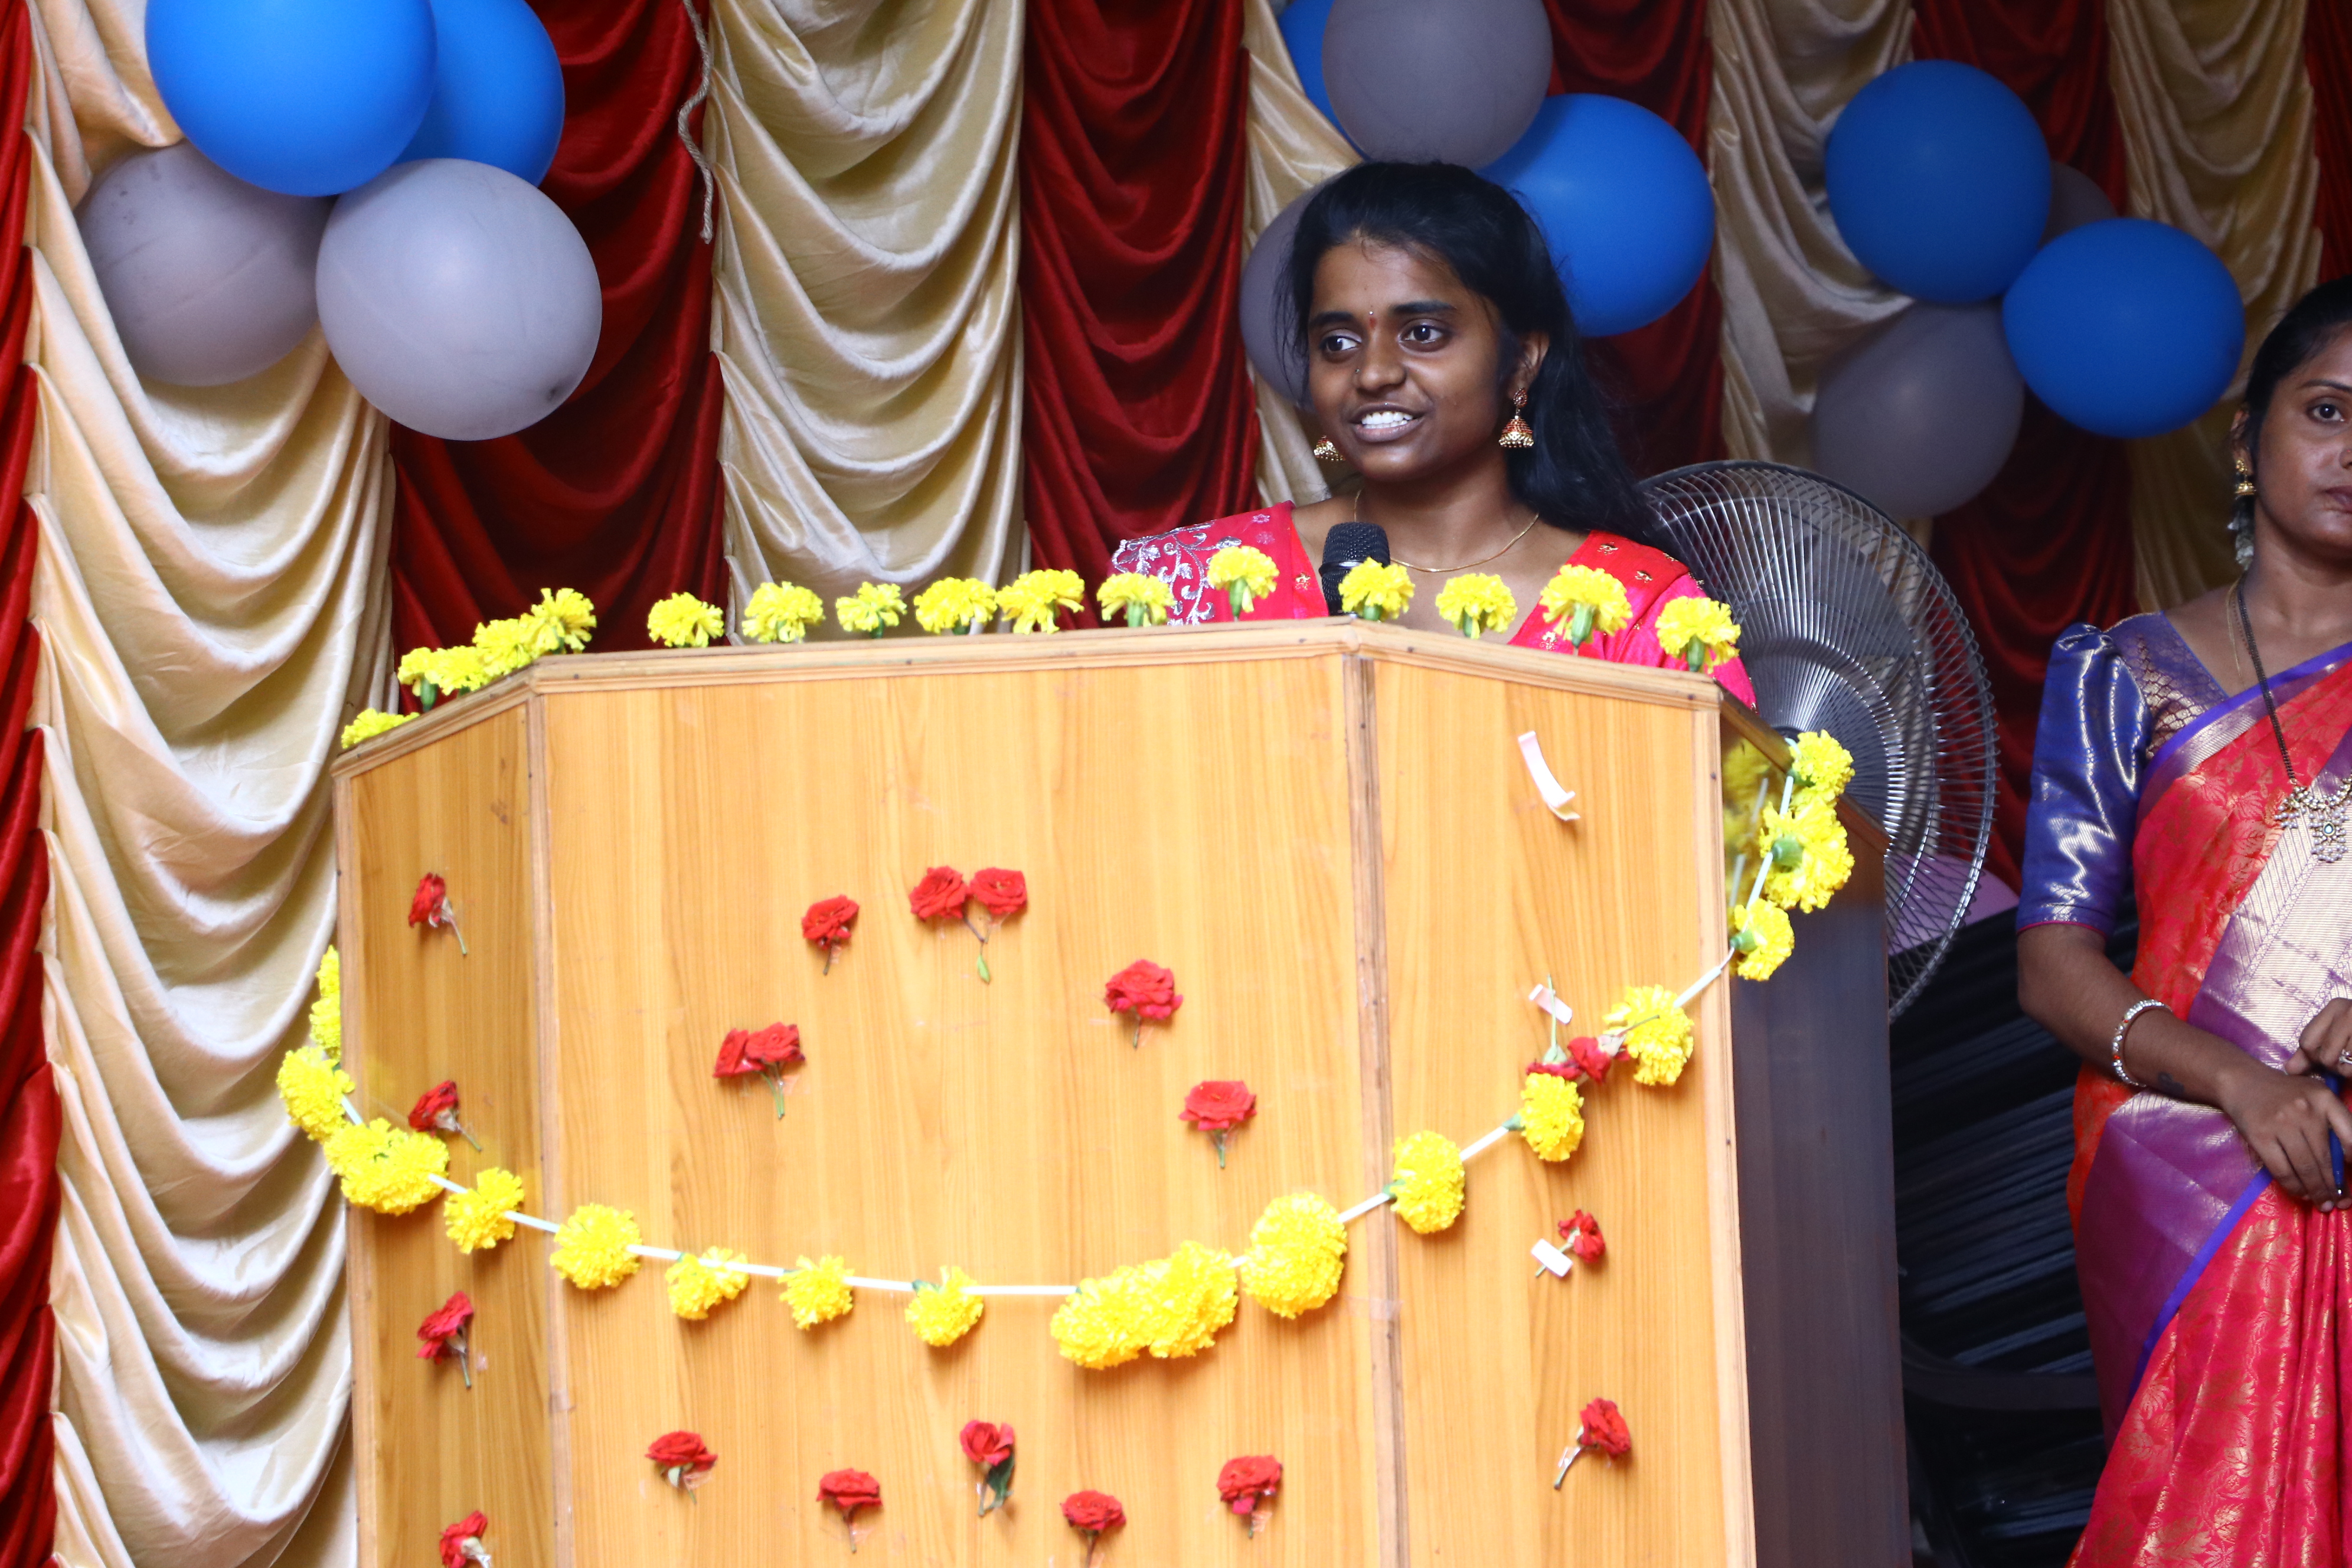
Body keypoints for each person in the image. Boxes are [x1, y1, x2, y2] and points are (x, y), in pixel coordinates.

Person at [2017, 276, 2352, 1563]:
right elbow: (2053, 964)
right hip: (2179, 1152)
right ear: (2246, 436)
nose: (2351, 450)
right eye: (2326, 410)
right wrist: (2239, 1083)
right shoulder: (2124, 673)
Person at [1109, 161, 1752, 703]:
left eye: (1422, 334)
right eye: (1337, 342)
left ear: (1522, 361)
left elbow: (1723, 812)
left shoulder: (1643, 618)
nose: (1373, 373)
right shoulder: (1196, 588)